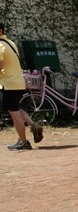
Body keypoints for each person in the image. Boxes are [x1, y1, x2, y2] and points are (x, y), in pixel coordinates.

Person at [0, 22, 43, 151]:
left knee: (14, 113)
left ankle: (23, 142)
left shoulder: (0, 45)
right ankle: (33, 126)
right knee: (16, 109)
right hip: (18, 82)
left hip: (9, 84)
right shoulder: (10, 43)